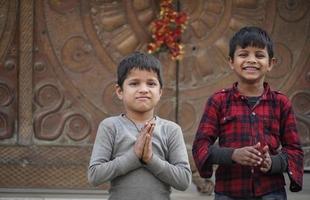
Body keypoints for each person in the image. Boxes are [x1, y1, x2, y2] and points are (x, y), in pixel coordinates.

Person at [192, 26, 304, 199]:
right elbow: (200, 146)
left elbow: (295, 151)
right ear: (231, 62)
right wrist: (233, 155)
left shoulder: (281, 103)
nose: (251, 60)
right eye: (243, 54)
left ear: (271, 64)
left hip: (271, 191)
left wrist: (272, 163)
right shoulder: (218, 101)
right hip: (229, 191)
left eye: (259, 55)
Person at [88, 52, 191, 200]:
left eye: (151, 83)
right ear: (119, 91)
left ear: (160, 92)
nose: (144, 89)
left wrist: (150, 159)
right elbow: (95, 176)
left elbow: (183, 180)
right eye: (134, 83)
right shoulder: (111, 126)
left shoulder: (171, 130)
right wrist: (134, 157)